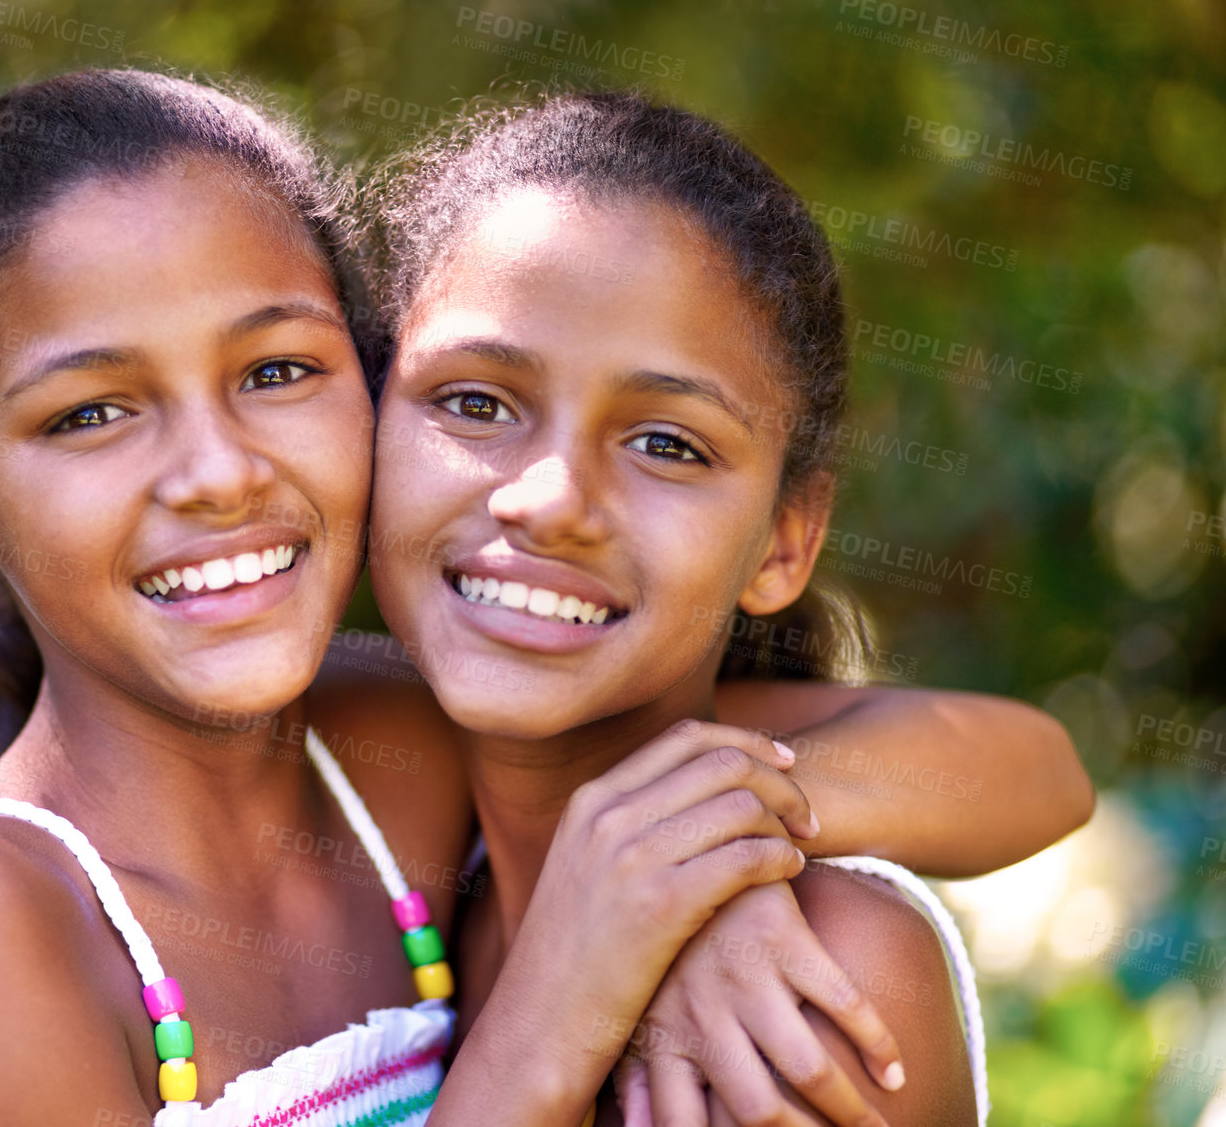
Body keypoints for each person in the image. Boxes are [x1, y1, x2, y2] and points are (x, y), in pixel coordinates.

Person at [0, 69, 1089, 1127]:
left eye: (276, 368)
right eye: (89, 411)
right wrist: (556, 1010)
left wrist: (707, 846)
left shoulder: (401, 753)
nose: (216, 474)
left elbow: (1019, 761)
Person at [363, 89, 1090, 1125]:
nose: (549, 500)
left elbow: (1044, 762)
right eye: (474, 402)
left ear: (787, 538)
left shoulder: (801, 981)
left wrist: (688, 857)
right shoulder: (379, 807)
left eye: (668, 443)